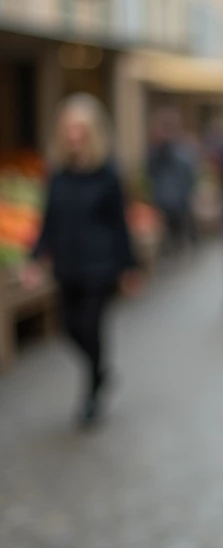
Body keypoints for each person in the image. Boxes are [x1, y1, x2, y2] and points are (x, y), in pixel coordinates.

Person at [22, 94, 140, 426]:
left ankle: (91, 397)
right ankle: (101, 370)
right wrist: (35, 259)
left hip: (99, 265)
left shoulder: (107, 174)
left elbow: (119, 224)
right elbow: (48, 221)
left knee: (91, 325)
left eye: (80, 129)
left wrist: (129, 267)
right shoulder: (58, 174)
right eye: (69, 129)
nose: (74, 135)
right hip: (67, 263)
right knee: (67, 328)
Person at [145, 107, 196, 255]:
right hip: (162, 202)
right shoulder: (156, 152)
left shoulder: (181, 150)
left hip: (178, 203)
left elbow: (188, 175)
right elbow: (150, 172)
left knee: (177, 238)